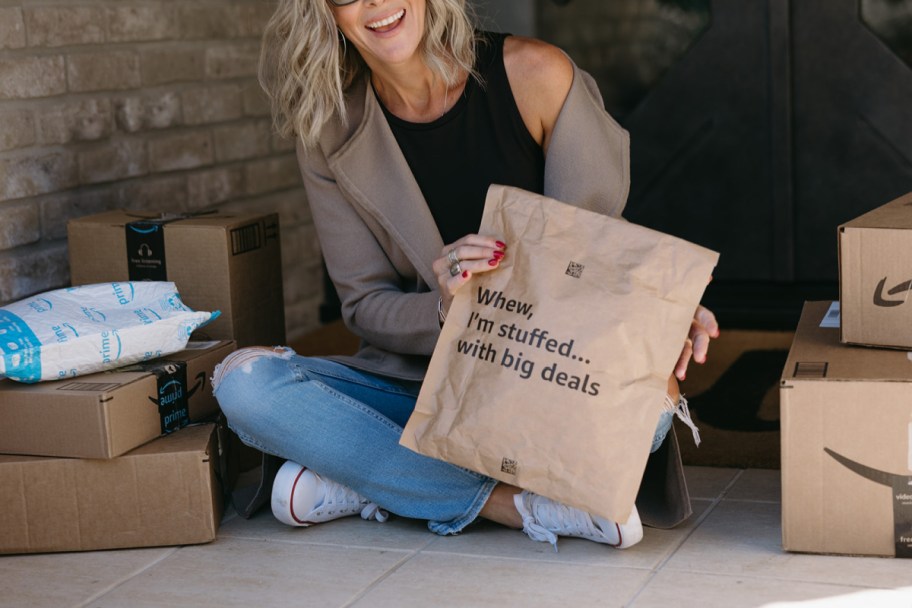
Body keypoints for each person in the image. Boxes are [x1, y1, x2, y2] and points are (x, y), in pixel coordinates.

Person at [212, 0, 719, 550]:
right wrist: (445, 309)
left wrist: (662, 311)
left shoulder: (536, 76)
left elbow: (600, 250)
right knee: (245, 385)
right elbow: (364, 305)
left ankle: (375, 481)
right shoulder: (329, 128)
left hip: (553, 383)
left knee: (653, 408)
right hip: (424, 389)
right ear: (325, 12)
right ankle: (517, 504)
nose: (376, 3)